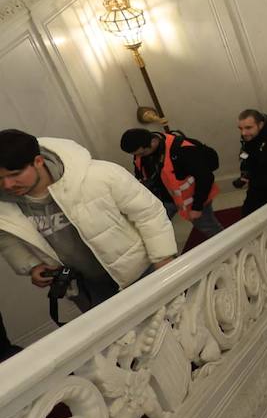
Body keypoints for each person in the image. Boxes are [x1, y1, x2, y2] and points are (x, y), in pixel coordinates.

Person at [0, 130, 176, 312]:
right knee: (123, 339)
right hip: (85, 288)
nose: (7, 185)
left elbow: (148, 214)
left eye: (15, 174)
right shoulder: (4, 205)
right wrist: (31, 265)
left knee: (178, 324)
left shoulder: (100, 175)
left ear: (38, 161)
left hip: (141, 270)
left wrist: (163, 258)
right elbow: (5, 237)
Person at [120, 127, 224, 240]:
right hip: (165, 198)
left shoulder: (182, 150)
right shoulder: (140, 153)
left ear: (153, 141)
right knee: (157, 227)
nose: (140, 156)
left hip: (193, 198)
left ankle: (229, 247)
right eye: (137, 154)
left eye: (142, 153)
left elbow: (205, 178)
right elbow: (141, 172)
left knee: (208, 227)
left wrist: (197, 207)